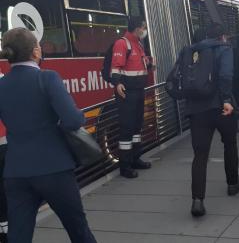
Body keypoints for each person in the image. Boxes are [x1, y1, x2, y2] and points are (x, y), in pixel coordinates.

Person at [0, 27, 96, 242]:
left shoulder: (1, 85)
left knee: (18, 236)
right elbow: (73, 120)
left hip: (16, 172)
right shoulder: (48, 78)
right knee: (78, 229)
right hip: (54, 169)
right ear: (35, 52)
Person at [185, 23, 239, 217]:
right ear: (223, 37)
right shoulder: (224, 49)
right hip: (221, 107)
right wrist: (226, 99)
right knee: (230, 143)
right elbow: (226, 75)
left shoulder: (192, 51)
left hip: (197, 109)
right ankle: (233, 183)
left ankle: (197, 201)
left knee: (200, 155)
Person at [110, 17, 153, 178]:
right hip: (127, 93)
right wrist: (117, 83)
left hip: (139, 91)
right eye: (143, 27)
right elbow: (115, 67)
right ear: (137, 28)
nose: (145, 30)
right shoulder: (122, 43)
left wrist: (149, 63)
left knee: (136, 127)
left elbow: (138, 64)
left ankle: (136, 158)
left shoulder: (138, 44)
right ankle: (125, 166)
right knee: (127, 129)